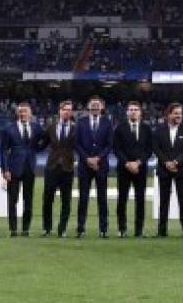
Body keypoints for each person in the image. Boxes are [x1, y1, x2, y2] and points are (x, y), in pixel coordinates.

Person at [0, 102, 41, 238]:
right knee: (13, 200)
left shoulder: (36, 127)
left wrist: (39, 149)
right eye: (21, 111)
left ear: (30, 113)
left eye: (25, 111)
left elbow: (45, 140)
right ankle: (13, 229)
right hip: (13, 168)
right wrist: (5, 169)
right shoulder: (8, 129)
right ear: (17, 113)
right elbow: (3, 151)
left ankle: (26, 229)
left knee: (28, 200)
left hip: (30, 168)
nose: (23, 114)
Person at [75, 96, 113, 238]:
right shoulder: (81, 122)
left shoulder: (107, 123)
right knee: (83, 198)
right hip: (85, 167)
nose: (96, 107)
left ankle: (103, 230)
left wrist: (98, 158)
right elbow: (77, 143)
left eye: (98, 105)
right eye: (93, 105)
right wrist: (87, 159)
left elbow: (109, 144)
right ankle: (80, 229)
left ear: (102, 107)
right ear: (88, 107)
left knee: (102, 199)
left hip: (101, 166)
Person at [152, 102, 183, 238]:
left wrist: (176, 162)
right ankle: (162, 231)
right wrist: (166, 162)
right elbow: (156, 148)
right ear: (169, 114)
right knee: (163, 201)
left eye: (180, 114)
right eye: (176, 113)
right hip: (164, 170)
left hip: (180, 169)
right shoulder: (159, 130)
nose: (178, 116)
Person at [113, 101, 152, 238]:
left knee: (140, 200)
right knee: (122, 199)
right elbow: (117, 149)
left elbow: (149, 149)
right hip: (124, 169)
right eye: (131, 109)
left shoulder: (146, 129)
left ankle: (139, 230)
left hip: (140, 169)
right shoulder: (120, 128)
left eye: (136, 109)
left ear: (140, 112)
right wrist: (128, 163)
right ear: (127, 112)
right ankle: (122, 229)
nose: (133, 111)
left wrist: (138, 163)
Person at [40, 100, 77, 238]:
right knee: (48, 199)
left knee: (66, 200)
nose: (67, 111)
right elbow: (43, 143)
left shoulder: (75, 128)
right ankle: (47, 227)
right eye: (64, 109)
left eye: (69, 109)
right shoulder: (51, 127)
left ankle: (62, 229)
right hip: (52, 167)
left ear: (71, 112)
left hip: (67, 168)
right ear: (59, 111)